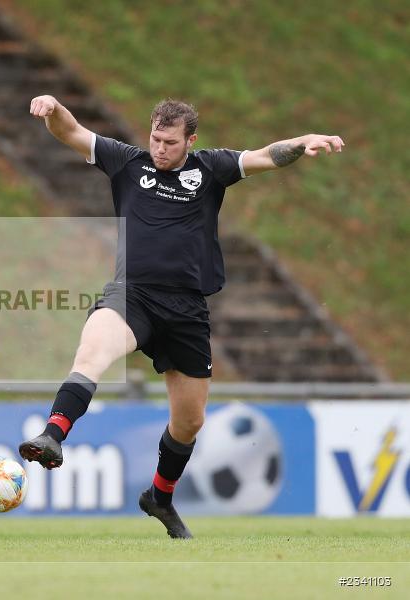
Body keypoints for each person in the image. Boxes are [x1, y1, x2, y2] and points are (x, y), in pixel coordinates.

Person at [18, 95, 343, 538]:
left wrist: (302, 142)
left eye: (170, 142)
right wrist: (53, 109)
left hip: (187, 310)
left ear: (191, 140)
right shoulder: (126, 163)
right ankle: (52, 435)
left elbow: (265, 155)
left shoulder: (211, 170)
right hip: (133, 295)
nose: (159, 149)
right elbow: (72, 133)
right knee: (93, 351)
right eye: (155, 138)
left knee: (189, 422)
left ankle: (159, 497)